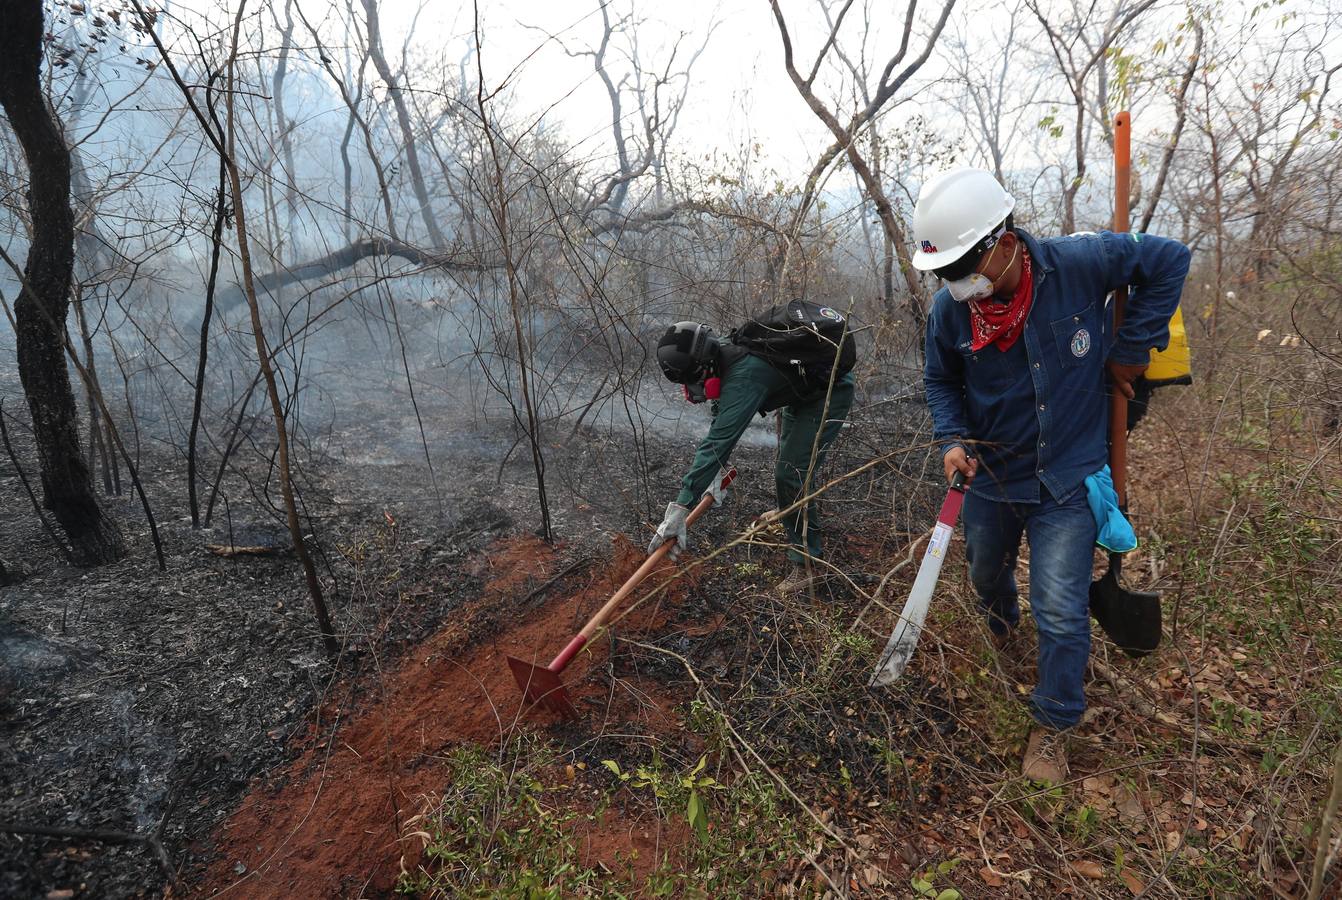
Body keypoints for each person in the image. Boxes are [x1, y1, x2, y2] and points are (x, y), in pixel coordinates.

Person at [913, 167, 1189, 783]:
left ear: (1004, 243)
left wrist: (1133, 346)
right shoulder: (950, 313)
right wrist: (952, 438)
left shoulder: (1081, 264)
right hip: (991, 476)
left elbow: (1170, 258)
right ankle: (1001, 630)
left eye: (962, 270)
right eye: (945, 276)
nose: (958, 287)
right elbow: (940, 380)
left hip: (1068, 475)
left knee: (1061, 608)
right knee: (987, 576)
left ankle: (1055, 720)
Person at [650, 318, 855, 594]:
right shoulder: (721, 352)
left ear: (702, 364)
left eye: (692, 378)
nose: (694, 387)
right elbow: (721, 416)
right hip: (801, 393)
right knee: (789, 469)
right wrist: (715, 473)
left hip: (828, 392)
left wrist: (681, 507)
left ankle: (806, 565)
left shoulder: (744, 377)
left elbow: (719, 441)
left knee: (791, 472)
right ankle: (790, 512)